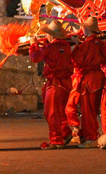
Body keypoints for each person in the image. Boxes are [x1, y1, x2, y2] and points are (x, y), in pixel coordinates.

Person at [29, 20, 73, 149]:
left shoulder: (50, 47)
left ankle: (56, 140)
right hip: (65, 83)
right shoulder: (65, 45)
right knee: (60, 112)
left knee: (52, 113)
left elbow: (35, 57)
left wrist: (33, 45)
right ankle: (64, 133)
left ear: (52, 35)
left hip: (55, 84)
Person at [65, 16, 106, 148]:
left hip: (88, 79)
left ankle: (91, 137)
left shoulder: (88, 44)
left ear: (88, 29)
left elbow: (78, 60)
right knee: (91, 111)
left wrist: (77, 46)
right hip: (97, 78)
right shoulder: (100, 42)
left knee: (87, 111)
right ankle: (86, 134)